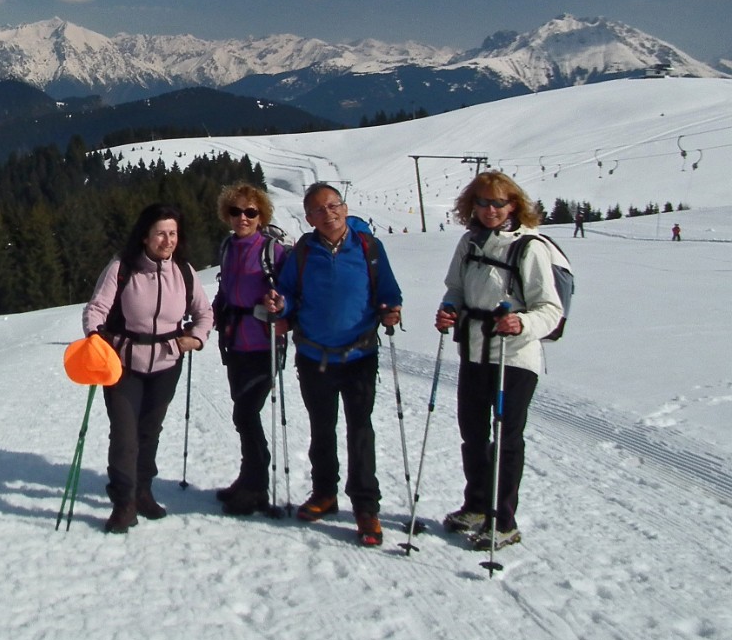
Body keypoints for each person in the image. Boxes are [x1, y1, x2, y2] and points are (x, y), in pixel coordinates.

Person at [263, 183, 402, 546]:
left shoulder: (370, 247)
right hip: (314, 356)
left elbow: (388, 289)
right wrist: (282, 306)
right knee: (322, 429)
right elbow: (289, 293)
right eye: (319, 210)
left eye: (333, 206)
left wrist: (391, 309)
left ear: (344, 206)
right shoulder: (304, 252)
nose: (328, 214)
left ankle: (365, 507)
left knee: (360, 431)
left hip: (359, 355)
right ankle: (325, 493)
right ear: (308, 218)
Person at [434, 171, 564, 551]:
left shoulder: (529, 247)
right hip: (473, 350)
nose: (490, 210)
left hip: (515, 357)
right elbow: (456, 288)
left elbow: (550, 310)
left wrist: (520, 322)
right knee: (473, 433)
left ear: (514, 206)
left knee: (506, 438)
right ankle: (476, 505)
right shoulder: (470, 242)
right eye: (482, 202)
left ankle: (503, 520)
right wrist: (449, 310)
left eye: (498, 203)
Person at [83, 203, 213, 533]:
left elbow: (205, 313)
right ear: (144, 237)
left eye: (173, 233)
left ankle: (143, 492)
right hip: (124, 364)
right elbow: (96, 309)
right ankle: (124, 502)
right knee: (125, 436)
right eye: (160, 234)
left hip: (168, 364)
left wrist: (196, 339)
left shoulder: (184, 271)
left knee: (149, 433)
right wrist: (97, 339)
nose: (167, 240)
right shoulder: (122, 268)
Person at [211, 183, 288, 516]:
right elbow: (226, 289)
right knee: (243, 412)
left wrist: (280, 307)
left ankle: (256, 485)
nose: (242, 217)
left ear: (261, 215)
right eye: (236, 211)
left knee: (246, 412)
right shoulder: (228, 247)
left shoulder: (273, 251)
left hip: (264, 343)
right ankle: (248, 478)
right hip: (234, 340)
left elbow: (289, 296)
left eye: (250, 212)